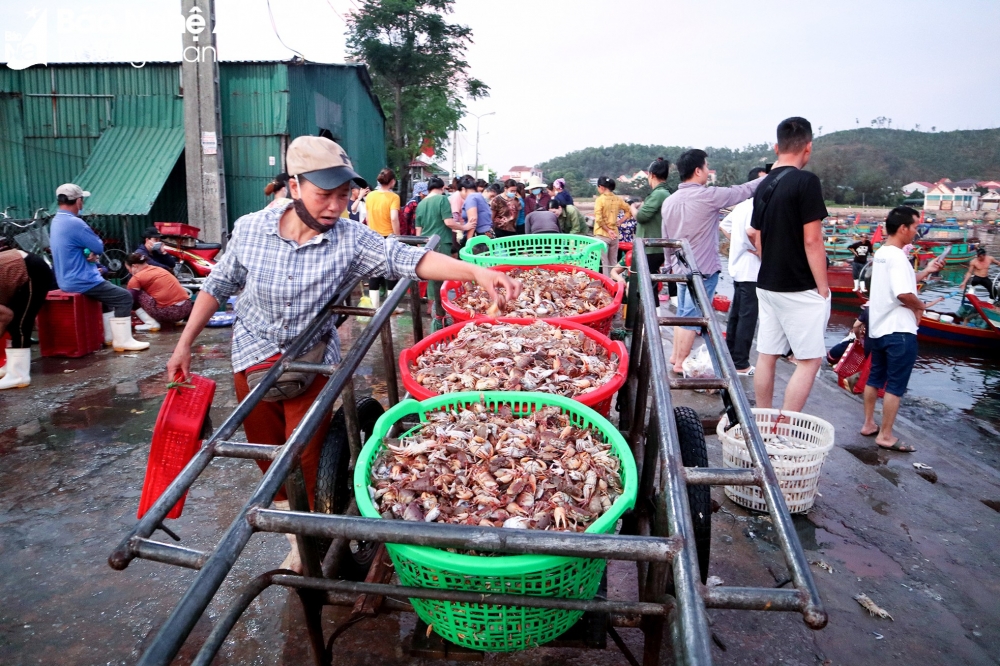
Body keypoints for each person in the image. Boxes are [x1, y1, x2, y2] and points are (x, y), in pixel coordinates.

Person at [165, 136, 520, 571]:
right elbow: (218, 286)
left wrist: (474, 271)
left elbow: (407, 259)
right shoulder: (251, 229)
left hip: (312, 359)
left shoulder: (350, 239)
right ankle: (287, 511)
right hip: (252, 355)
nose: (334, 206)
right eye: (323, 195)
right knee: (264, 450)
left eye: (342, 195)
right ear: (295, 187)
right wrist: (184, 344)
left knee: (305, 455)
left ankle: (306, 538)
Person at [746, 117, 829, 412]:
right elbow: (812, 240)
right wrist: (823, 287)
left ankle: (765, 422)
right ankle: (788, 426)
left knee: (767, 354)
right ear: (808, 148)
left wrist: (768, 259)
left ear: (776, 147)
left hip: (767, 283)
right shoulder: (806, 182)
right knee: (809, 360)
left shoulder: (764, 183)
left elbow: (754, 233)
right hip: (798, 286)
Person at [661, 150, 761, 373]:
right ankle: (680, 363)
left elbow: (665, 237)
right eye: (706, 167)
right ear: (698, 171)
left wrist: (668, 264)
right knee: (692, 315)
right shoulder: (708, 196)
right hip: (702, 268)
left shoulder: (669, 201)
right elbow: (743, 191)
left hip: (679, 267)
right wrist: (772, 177)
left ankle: (675, 356)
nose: (707, 171)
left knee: (683, 312)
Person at [860, 207, 946, 452]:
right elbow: (902, 293)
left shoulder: (883, 253)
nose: (916, 232)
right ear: (903, 228)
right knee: (895, 385)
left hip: (879, 328)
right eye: (915, 227)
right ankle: (885, 435)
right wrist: (922, 306)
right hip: (899, 330)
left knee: (875, 378)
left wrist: (926, 272)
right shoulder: (897, 256)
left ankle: (868, 424)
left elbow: (899, 284)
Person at [49, 183, 149, 352]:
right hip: (82, 279)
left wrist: (88, 251)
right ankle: (123, 341)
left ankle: (109, 337)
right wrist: (92, 252)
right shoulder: (75, 223)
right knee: (124, 297)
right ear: (78, 201)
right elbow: (98, 246)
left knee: (107, 299)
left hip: (66, 279)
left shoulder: (57, 220)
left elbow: (78, 247)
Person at [719, 167, 767, 375]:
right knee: (748, 316)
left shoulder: (742, 206)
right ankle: (741, 363)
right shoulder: (757, 205)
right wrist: (759, 252)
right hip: (751, 269)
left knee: (736, 314)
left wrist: (737, 243)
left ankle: (731, 355)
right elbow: (752, 231)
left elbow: (724, 225)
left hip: (738, 267)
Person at [415, 176, 474, 330]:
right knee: (443, 276)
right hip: (441, 242)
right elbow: (448, 222)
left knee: (430, 276)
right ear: (442, 188)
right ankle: (442, 310)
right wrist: (465, 227)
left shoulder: (421, 204)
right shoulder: (442, 200)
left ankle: (431, 307)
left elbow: (418, 230)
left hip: (426, 243)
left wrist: (420, 245)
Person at [0, 250, 55, 389]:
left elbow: (6, 316)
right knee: (15, 323)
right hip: (15, 270)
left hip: (32, 270)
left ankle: (19, 376)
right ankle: (10, 368)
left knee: (20, 323)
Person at [634, 158, 673, 300]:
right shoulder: (664, 193)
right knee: (650, 284)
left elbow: (642, 217)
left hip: (652, 248)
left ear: (652, 175)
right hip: (656, 246)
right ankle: (654, 317)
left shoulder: (659, 193)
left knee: (647, 287)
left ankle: (652, 319)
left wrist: (633, 208)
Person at [125, 253, 193, 330]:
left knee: (134, 294)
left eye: (128, 269)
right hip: (186, 308)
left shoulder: (137, 277)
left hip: (170, 313)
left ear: (134, 266)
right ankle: (177, 320)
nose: (129, 272)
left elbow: (129, 299)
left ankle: (150, 323)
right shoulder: (159, 269)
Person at [364, 168, 401, 309]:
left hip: (373, 236)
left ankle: (374, 307)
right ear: (391, 181)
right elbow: (394, 218)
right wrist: (397, 236)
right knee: (391, 271)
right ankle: (392, 307)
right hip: (389, 237)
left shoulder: (370, 196)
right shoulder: (393, 197)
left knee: (375, 272)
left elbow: (367, 217)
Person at [594, 176, 632, 277]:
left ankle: (607, 286)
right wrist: (620, 221)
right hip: (615, 235)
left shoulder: (600, 200)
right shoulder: (618, 199)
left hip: (602, 235)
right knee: (613, 262)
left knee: (604, 263)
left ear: (601, 187)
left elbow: (598, 219)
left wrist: (607, 230)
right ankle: (615, 282)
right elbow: (629, 210)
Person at [461, 175, 495, 246]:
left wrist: (468, 243)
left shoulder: (471, 197)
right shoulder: (479, 196)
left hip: (479, 235)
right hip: (486, 233)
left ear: (463, 189)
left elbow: (473, 220)